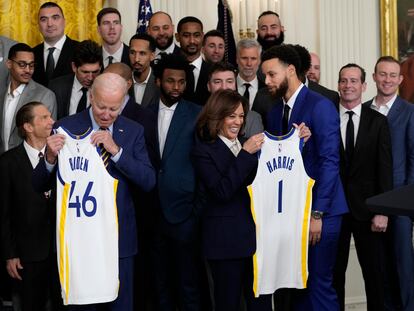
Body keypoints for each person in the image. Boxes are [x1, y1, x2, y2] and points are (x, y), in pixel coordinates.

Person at [33, 73, 155, 310]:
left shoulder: (133, 131)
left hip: (119, 242)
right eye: (101, 107)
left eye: (114, 108)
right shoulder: (65, 127)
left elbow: (148, 181)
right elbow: (38, 184)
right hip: (80, 242)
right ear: (90, 97)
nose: (107, 114)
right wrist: (48, 158)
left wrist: (117, 151)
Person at [263, 44, 348, 311]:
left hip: (321, 214)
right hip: (290, 214)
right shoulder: (275, 111)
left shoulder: (320, 106)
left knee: (319, 287)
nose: (266, 81)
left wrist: (317, 214)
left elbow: (330, 162)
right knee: (298, 287)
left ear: (290, 70)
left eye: (271, 74)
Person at [191, 89, 269, 311]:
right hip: (224, 244)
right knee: (228, 304)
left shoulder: (250, 144)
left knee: (260, 304)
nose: (238, 122)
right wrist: (245, 154)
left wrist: (298, 142)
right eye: (231, 116)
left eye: (241, 116)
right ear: (217, 116)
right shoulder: (203, 151)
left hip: (257, 241)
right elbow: (221, 191)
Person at [333, 63, 392, 311]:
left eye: (354, 81)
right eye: (344, 81)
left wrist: (382, 210)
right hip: (334, 211)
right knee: (334, 276)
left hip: (368, 212)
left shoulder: (378, 122)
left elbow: (385, 169)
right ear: (338, 85)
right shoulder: (326, 117)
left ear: (364, 86)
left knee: (374, 276)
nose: (348, 86)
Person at [147, 52, 202, 310]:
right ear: (158, 81)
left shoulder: (197, 114)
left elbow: (204, 166)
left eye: (182, 82)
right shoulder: (142, 114)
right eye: (170, 81)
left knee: (188, 284)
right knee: (159, 284)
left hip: (185, 214)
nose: (177, 87)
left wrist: (195, 212)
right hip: (152, 214)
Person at [364, 56, 414, 311]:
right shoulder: (363, 110)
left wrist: (405, 201)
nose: (387, 80)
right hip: (368, 202)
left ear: (400, 79)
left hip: (400, 205)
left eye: (393, 75)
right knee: (377, 269)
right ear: (374, 77)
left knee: (402, 269)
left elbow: (413, 160)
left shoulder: (409, 112)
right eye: (382, 74)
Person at [0, 102, 60, 311]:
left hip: (60, 252)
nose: (51, 121)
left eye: (50, 116)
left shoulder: (63, 157)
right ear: (28, 126)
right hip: (27, 255)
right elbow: (3, 213)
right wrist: (10, 254)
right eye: (44, 117)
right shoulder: (8, 162)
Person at [0, 43, 57, 154]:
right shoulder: (2, 92)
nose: (28, 70)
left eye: (31, 65)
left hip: (31, 165)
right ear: (9, 64)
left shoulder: (45, 95)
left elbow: (48, 134)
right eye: (22, 64)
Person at [207, 62, 263, 138]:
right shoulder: (196, 116)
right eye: (218, 82)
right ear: (209, 86)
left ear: (235, 85)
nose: (224, 87)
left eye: (229, 81)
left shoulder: (252, 119)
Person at [48, 40, 101, 120]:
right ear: (74, 67)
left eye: (95, 72)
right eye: (85, 72)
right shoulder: (56, 87)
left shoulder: (105, 88)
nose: (90, 77)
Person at [32, 2, 79, 86]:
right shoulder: (32, 53)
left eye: (55, 18)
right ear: (38, 25)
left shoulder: (80, 49)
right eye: (44, 19)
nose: (49, 24)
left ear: (64, 21)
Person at [176, 16, 210, 106]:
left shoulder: (212, 71)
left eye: (196, 35)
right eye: (186, 36)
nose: (192, 41)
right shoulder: (169, 69)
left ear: (203, 36)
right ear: (177, 37)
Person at [128, 33, 159, 107]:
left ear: (152, 56)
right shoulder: (122, 81)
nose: (136, 59)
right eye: (132, 53)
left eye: (142, 53)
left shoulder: (159, 84)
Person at [236, 39, 265, 110]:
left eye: (253, 58)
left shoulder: (267, 90)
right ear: (236, 59)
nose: (249, 63)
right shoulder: (227, 87)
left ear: (259, 61)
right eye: (244, 58)